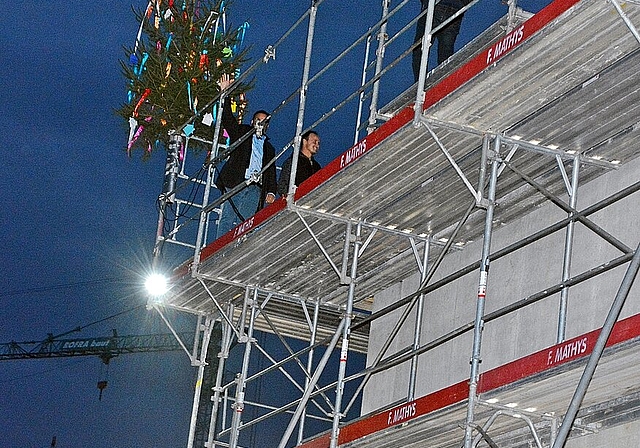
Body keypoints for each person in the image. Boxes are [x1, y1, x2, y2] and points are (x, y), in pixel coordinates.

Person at [215, 74, 277, 238]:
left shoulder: (269, 148)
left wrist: (271, 190)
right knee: (228, 218)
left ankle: (243, 248)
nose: (260, 123)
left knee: (249, 221)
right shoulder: (242, 133)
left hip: (255, 187)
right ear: (252, 121)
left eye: (264, 121)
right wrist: (225, 93)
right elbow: (228, 119)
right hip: (237, 181)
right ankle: (219, 248)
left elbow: (270, 170)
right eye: (258, 120)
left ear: (267, 126)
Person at [412, 0, 470, 82]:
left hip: (434, 5)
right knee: (446, 51)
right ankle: (446, 82)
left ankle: (420, 84)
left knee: (420, 49)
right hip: (455, 8)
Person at [277, 130, 322, 197]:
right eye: (314, 141)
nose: (317, 145)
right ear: (304, 141)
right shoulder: (293, 161)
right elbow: (282, 185)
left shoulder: (317, 166)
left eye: (318, 143)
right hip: (297, 200)